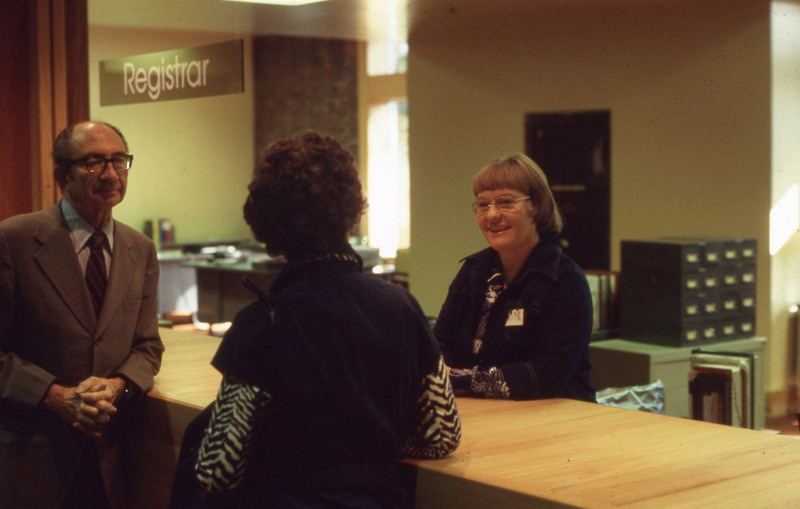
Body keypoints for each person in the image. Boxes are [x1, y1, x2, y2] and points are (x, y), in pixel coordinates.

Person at [189, 130, 461, 508]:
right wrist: (373, 449)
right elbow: (443, 435)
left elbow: (218, 469)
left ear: (268, 227)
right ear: (351, 213)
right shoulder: (401, 305)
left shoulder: (264, 321)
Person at [0, 121, 165, 509]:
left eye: (119, 160)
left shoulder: (140, 249)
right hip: (31, 458)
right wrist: (55, 396)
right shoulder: (13, 240)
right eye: (93, 162)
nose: (110, 174)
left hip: (111, 459)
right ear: (62, 176)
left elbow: (147, 347)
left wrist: (119, 385)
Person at [433, 153, 596, 403]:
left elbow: (547, 376)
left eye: (505, 202)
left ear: (536, 206)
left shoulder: (564, 280)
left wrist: (455, 379)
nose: (491, 215)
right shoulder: (473, 271)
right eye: (483, 204)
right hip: (485, 412)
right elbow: (438, 345)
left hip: (558, 417)